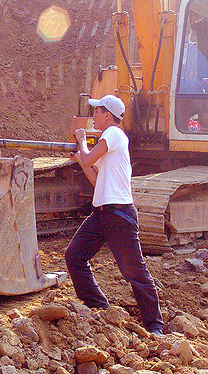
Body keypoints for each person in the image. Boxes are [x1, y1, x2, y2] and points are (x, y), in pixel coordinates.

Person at [65, 94, 164, 336]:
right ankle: (97, 305)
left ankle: (155, 326)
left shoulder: (113, 134)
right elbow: (97, 178)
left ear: (107, 114)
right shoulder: (110, 141)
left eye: (96, 111)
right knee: (74, 256)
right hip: (102, 213)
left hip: (119, 214)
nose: (93, 116)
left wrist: (81, 142)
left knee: (134, 272)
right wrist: (82, 161)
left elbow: (89, 156)